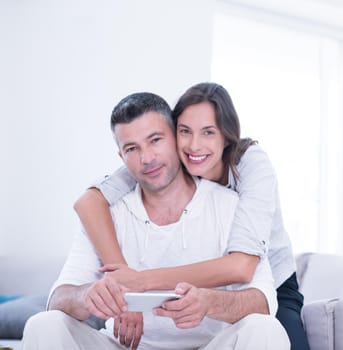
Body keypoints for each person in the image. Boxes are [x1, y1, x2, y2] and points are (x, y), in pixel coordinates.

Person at [21, 92, 290, 350]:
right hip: (125, 346)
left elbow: (263, 301)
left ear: (175, 138)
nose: (146, 158)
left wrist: (210, 302)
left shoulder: (231, 204)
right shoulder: (109, 212)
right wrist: (87, 295)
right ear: (121, 157)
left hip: (209, 345)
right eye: (132, 148)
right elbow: (58, 298)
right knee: (44, 325)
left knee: (266, 329)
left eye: (155, 140)